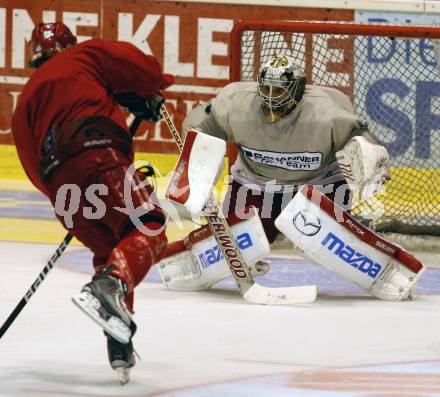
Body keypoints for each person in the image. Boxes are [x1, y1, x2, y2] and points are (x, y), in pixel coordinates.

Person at [11, 22, 173, 382]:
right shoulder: (81, 56)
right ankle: (109, 288)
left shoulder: (24, 105)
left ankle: (118, 335)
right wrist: (147, 92)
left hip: (62, 187)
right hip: (99, 155)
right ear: (68, 45)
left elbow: (33, 167)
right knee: (150, 229)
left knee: (113, 248)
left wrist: (70, 192)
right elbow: (141, 68)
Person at [156, 54, 391, 293]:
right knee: (241, 245)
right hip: (255, 184)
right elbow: (200, 123)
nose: (270, 96)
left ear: (297, 90)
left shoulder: (328, 112)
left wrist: (370, 161)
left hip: (318, 185)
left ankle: (356, 234)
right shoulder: (236, 104)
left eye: (278, 91)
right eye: (266, 88)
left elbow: (359, 140)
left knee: (317, 244)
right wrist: (199, 162)